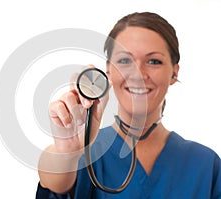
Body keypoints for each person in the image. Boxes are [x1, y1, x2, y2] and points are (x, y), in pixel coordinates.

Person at [36, 12, 221, 198]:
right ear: (108, 69)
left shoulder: (206, 165)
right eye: (125, 60)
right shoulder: (88, 150)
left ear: (174, 72)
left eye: (153, 61)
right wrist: (67, 151)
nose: (138, 74)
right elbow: (53, 182)